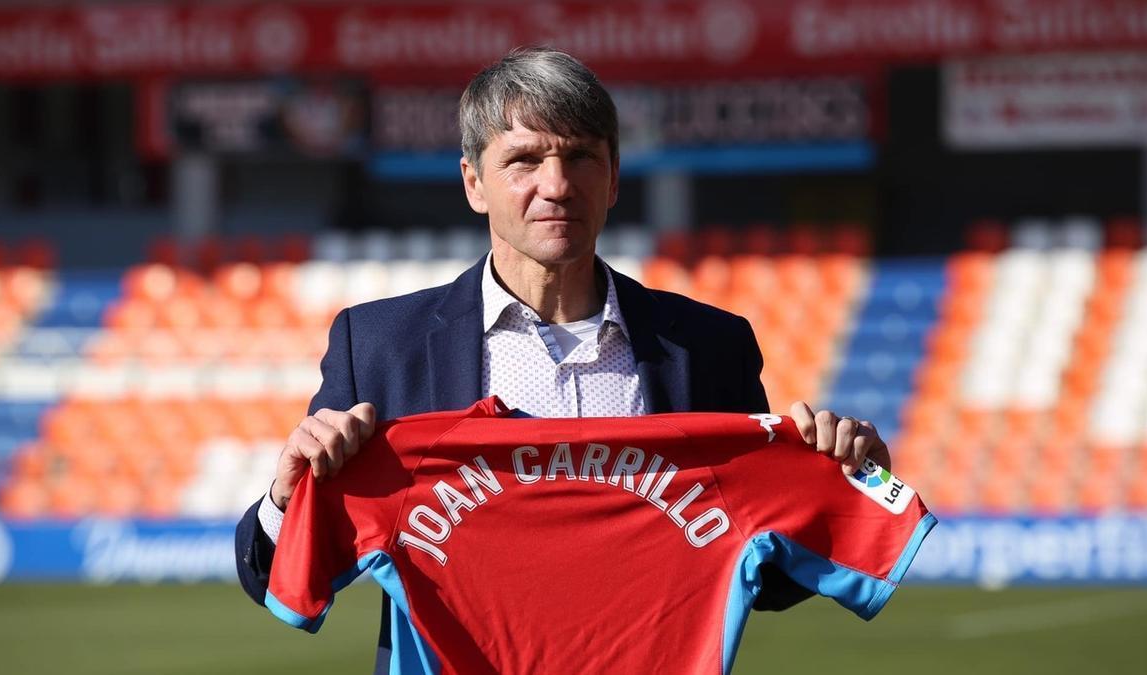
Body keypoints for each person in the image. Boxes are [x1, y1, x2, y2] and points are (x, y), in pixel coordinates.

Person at [235, 46, 890, 670]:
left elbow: (757, 564)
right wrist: (286, 495)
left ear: (611, 178)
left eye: (579, 156)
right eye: (524, 159)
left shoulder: (707, 346)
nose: (556, 184)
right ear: (474, 182)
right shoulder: (382, 346)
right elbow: (274, 575)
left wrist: (859, 480)